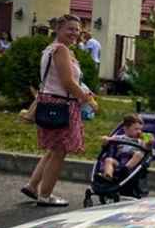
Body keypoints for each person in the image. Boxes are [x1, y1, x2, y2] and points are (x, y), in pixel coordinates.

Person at [20, 14, 98, 207]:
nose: (75, 33)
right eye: (70, 29)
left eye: (77, 29)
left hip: (50, 101)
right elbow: (67, 82)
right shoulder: (61, 49)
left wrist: (84, 92)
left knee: (53, 149)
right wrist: (87, 99)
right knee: (59, 151)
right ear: (58, 29)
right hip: (61, 104)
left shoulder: (51, 49)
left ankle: (33, 186)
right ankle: (46, 195)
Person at [100, 113, 154, 179]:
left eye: (140, 129)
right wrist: (105, 139)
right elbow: (108, 140)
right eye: (136, 129)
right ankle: (107, 176)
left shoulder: (140, 141)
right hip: (119, 162)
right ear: (126, 128)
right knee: (108, 160)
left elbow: (147, 147)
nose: (139, 132)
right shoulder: (119, 138)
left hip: (132, 165)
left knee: (139, 154)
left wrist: (149, 143)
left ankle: (125, 169)